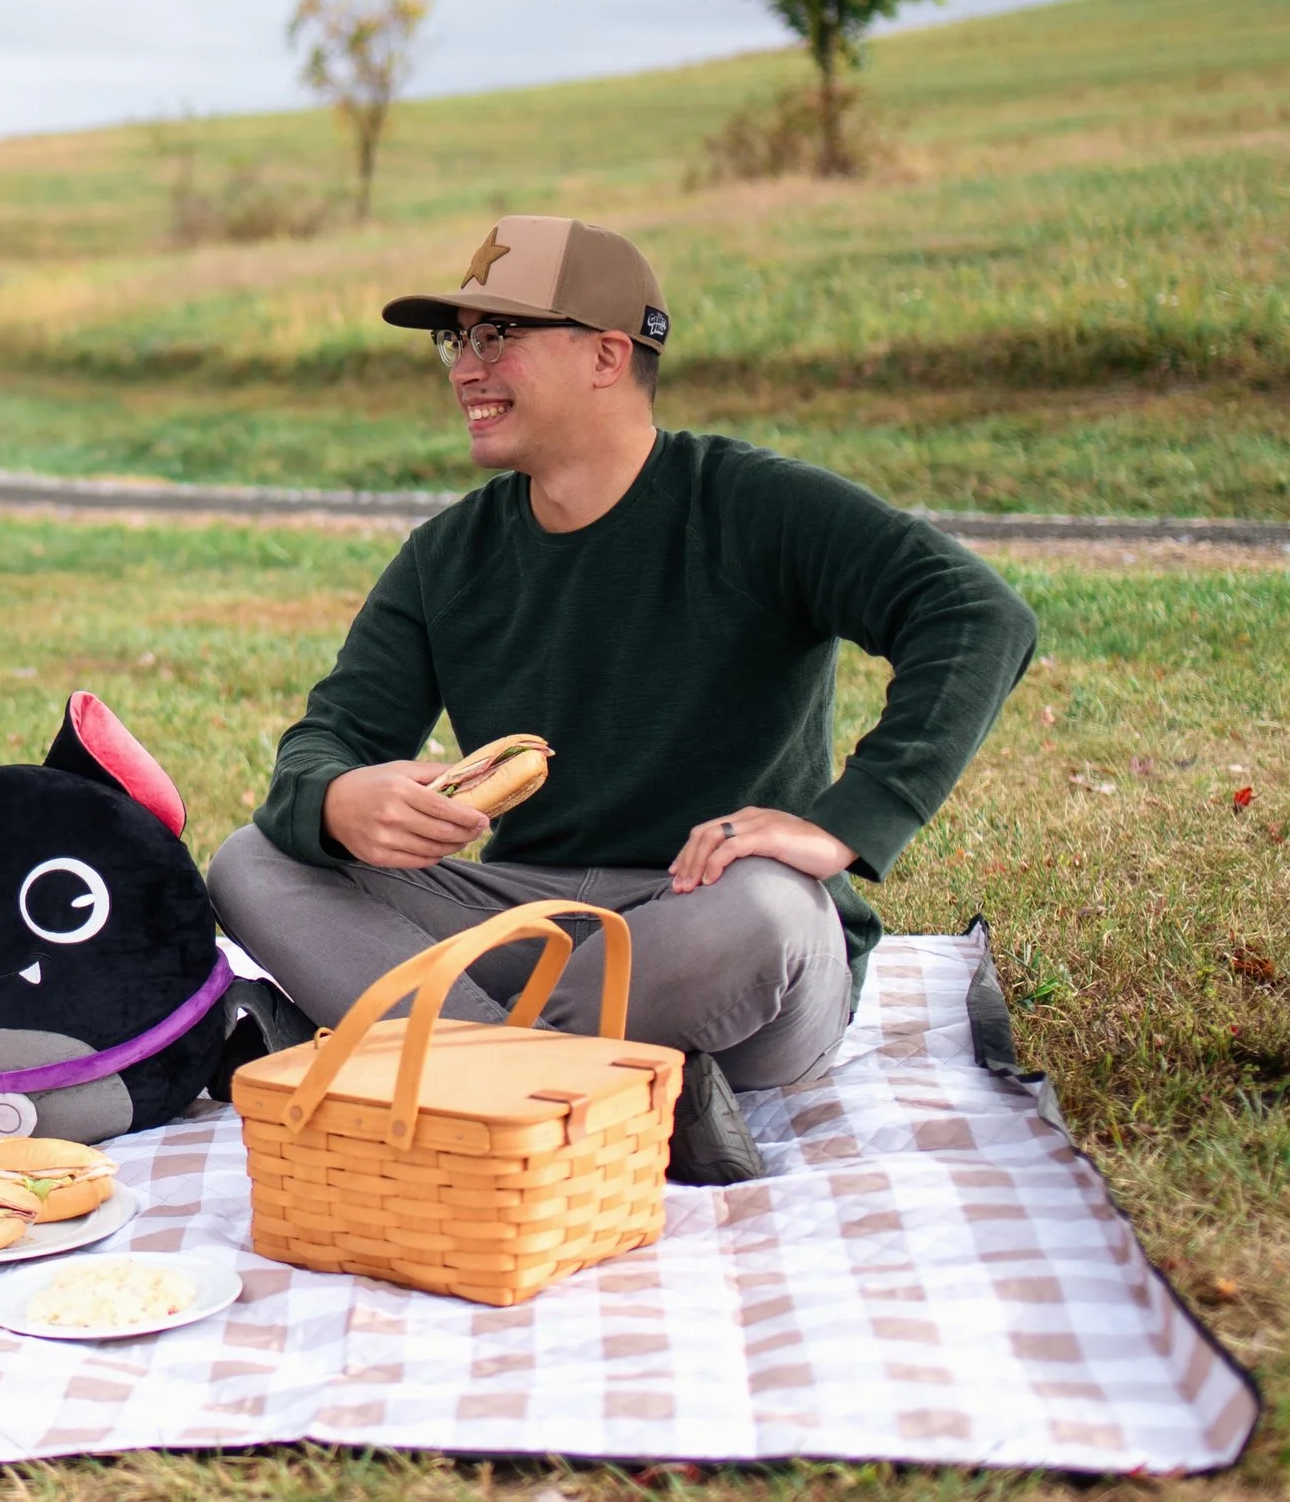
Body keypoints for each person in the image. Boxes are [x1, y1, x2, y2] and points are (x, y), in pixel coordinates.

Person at [206, 215, 1035, 1182]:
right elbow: (331, 737)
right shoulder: (447, 557)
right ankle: (576, 1097)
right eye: (456, 339)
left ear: (608, 354)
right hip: (534, 925)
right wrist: (338, 798)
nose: (464, 368)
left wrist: (846, 823)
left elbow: (976, 614)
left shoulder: (752, 506)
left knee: (770, 912)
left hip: (711, 932)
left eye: (497, 336)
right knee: (255, 860)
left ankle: (422, 1064)